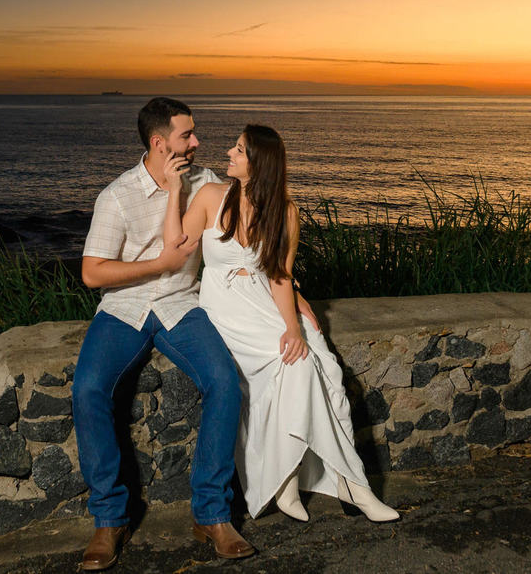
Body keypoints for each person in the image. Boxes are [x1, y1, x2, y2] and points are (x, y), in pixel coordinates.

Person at [162, 123, 400, 523]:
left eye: (238, 150)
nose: (229, 154)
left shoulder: (285, 212)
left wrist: (292, 325)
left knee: (316, 364)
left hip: (264, 303)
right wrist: (173, 192)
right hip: (225, 309)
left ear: (259, 163)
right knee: (296, 367)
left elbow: (280, 276)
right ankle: (333, 484)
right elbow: (174, 248)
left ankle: (319, 483)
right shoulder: (209, 196)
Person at [72, 97, 257, 571]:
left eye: (194, 134)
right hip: (124, 308)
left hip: (183, 304)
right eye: (186, 136)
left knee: (224, 382)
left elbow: (254, 220)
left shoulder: (207, 182)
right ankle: (109, 519)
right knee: (88, 389)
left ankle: (212, 514)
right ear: (159, 143)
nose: (197, 142)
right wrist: (158, 264)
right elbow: (92, 273)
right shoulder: (117, 195)